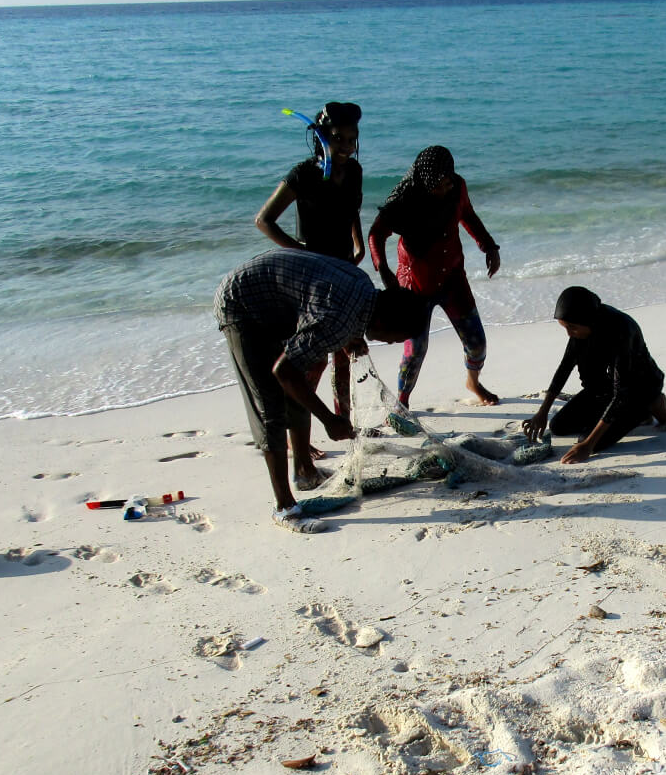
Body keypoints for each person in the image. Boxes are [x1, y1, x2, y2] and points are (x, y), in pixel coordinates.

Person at [213, 249, 429, 532]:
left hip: (273, 298)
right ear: (385, 322)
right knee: (271, 404)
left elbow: (320, 307)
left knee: (300, 379)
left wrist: (349, 340)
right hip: (241, 304)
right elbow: (284, 371)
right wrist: (329, 419)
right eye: (396, 338)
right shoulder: (338, 323)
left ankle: (304, 472)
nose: (391, 344)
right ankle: (285, 508)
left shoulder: (364, 288)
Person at [253, 102, 364, 483]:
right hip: (311, 279)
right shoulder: (303, 174)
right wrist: (299, 252)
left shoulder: (355, 171)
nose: (347, 146)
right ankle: (299, 439)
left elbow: (353, 210)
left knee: (347, 352)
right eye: (339, 139)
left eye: (352, 139)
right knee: (308, 361)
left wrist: (357, 241)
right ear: (321, 137)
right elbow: (264, 220)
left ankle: (344, 422)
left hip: (344, 270)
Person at [368, 145, 501, 409]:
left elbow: (468, 215)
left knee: (477, 344)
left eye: (448, 180)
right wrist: (383, 269)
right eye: (440, 184)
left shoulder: (457, 186)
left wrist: (489, 245)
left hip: (453, 276)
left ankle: (473, 382)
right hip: (414, 284)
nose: (447, 187)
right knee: (415, 349)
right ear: (426, 184)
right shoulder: (404, 200)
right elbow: (375, 234)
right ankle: (402, 403)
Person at [522, 286, 666, 465]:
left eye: (572, 327)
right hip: (606, 387)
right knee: (558, 426)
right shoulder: (581, 327)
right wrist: (542, 411)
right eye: (565, 328)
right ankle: (635, 415)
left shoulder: (622, 331)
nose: (569, 333)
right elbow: (564, 368)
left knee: (587, 440)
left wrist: (588, 445)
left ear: (588, 320)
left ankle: (653, 403)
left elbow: (621, 393)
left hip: (637, 388)